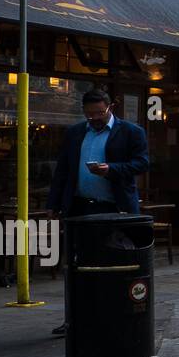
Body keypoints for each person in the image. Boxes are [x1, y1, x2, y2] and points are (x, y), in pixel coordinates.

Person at [48, 88, 150, 337]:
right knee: (76, 266)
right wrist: (54, 204)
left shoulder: (131, 132)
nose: (94, 118)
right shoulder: (75, 133)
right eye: (89, 114)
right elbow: (63, 170)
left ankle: (114, 316)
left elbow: (143, 163)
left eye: (99, 113)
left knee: (118, 265)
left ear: (110, 108)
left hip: (115, 208)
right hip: (80, 207)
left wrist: (111, 169)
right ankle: (74, 318)